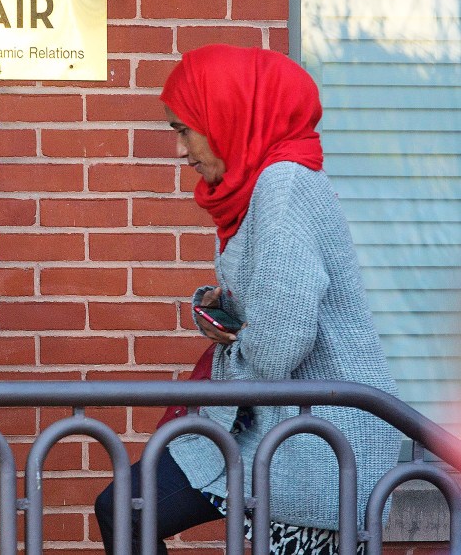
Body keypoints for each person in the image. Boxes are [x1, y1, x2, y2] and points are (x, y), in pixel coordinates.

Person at [94, 44, 401, 554]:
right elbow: (273, 313)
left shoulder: (284, 185)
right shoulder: (255, 187)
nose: (180, 149)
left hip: (313, 441)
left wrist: (240, 334)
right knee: (125, 507)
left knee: (127, 507)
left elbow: (279, 347)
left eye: (184, 129)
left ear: (227, 113)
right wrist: (226, 315)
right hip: (264, 426)